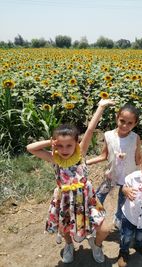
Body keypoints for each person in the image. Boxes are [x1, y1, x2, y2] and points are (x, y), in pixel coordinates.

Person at [26, 99, 114, 264]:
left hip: (86, 200)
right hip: (65, 200)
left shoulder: (81, 153)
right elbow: (30, 148)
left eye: (69, 145)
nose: (65, 150)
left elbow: (90, 129)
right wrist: (50, 143)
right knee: (64, 227)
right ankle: (68, 245)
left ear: (76, 144)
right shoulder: (54, 158)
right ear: (56, 145)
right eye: (61, 145)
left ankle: (96, 245)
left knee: (105, 228)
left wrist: (101, 107)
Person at [86, 103, 141, 230]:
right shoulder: (108, 135)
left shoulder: (135, 138)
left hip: (128, 177)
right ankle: (94, 217)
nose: (125, 125)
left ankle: (118, 219)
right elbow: (103, 155)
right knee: (99, 195)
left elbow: (138, 159)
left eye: (130, 123)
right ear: (117, 118)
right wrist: (86, 162)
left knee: (123, 199)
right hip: (111, 174)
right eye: (122, 121)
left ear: (135, 124)